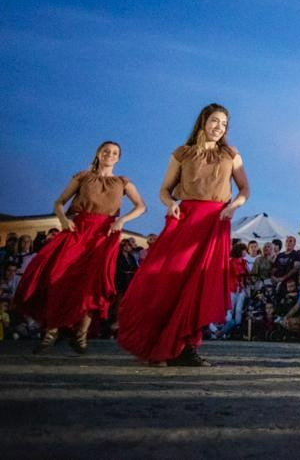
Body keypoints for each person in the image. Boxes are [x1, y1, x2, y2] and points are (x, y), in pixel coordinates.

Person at [118, 103, 250, 366]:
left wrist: (233, 206)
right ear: (203, 121)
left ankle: (186, 347)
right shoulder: (182, 153)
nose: (219, 127)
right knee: (169, 282)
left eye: (224, 124)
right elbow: (165, 190)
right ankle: (157, 342)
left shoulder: (231, 155)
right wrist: (171, 204)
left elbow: (245, 189)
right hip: (185, 220)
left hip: (215, 223)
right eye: (214, 121)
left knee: (200, 285)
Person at [15, 141, 146, 354]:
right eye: (106, 151)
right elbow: (59, 202)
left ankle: (81, 336)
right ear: (98, 153)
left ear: (118, 158)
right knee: (59, 277)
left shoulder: (123, 181)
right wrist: (63, 220)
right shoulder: (83, 176)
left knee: (93, 285)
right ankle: (51, 332)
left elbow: (141, 206)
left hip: (105, 235)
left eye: (114, 153)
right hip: (78, 230)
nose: (110, 155)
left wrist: (122, 221)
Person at [211, 241, 249, 340]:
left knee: (239, 309)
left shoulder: (244, 262)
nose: (246, 252)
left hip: (241, 288)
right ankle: (228, 330)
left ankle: (237, 328)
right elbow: (238, 272)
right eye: (244, 250)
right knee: (230, 310)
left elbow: (247, 274)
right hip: (232, 288)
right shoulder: (232, 261)